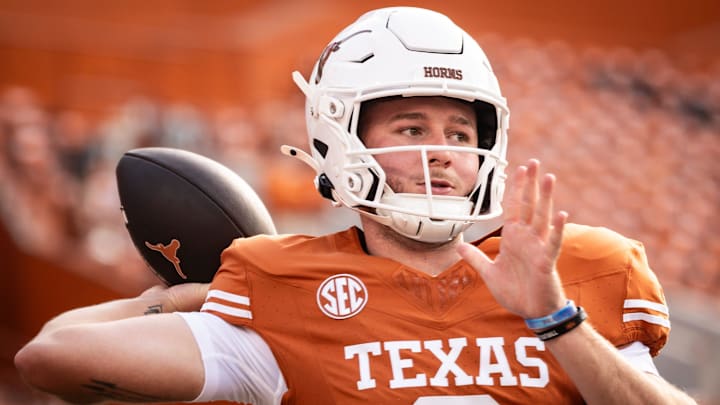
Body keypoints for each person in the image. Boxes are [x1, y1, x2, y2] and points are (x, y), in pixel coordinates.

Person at [14, 7, 696, 405]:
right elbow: (50, 356)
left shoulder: (584, 269)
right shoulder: (278, 287)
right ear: (338, 139)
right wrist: (189, 297)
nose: (444, 151)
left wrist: (556, 319)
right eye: (411, 128)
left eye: (461, 133)